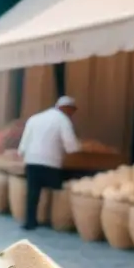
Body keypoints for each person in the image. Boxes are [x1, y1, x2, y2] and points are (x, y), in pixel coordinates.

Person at [18, 96, 81, 230]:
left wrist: (23, 155)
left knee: (33, 193)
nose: (72, 115)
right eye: (72, 111)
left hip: (31, 160)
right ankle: (55, 221)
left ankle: (30, 222)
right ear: (67, 108)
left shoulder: (34, 118)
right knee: (56, 190)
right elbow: (71, 146)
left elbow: (23, 144)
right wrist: (80, 148)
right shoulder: (63, 120)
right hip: (50, 162)